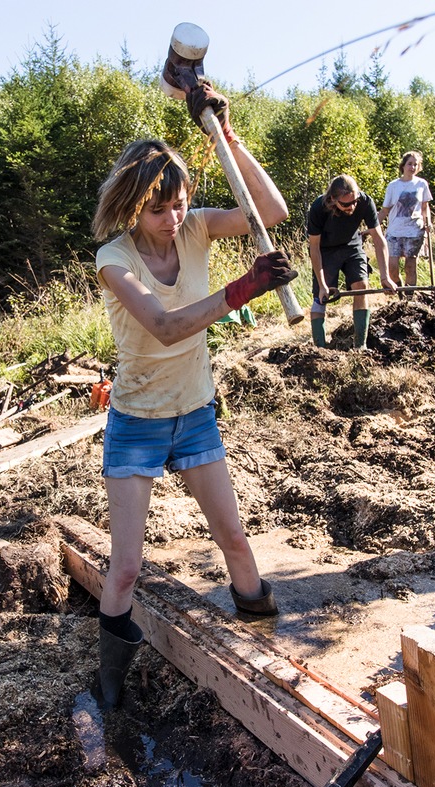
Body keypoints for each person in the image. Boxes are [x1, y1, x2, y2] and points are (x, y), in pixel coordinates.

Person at [90, 82, 296, 708]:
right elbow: (167, 326)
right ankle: (110, 686)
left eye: (180, 204)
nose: (174, 219)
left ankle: (269, 650)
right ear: (132, 207)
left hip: (196, 415)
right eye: (160, 209)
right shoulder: (113, 258)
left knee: (234, 539)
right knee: (125, 568)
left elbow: (273, 210)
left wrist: (225, 133)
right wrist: (244, 289)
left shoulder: (199, 229)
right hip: (138, 421)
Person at [306, 175, 391, 350]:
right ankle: (320, 350)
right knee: (320, 298)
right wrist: (322, 285)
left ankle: (360, 346)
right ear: (332, 200)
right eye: (345, 204)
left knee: (361, 286)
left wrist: (385, 276)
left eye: (354, 201)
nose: (352, 206)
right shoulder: (318, 207)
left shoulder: (365, 201)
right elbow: (314, 248)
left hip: (352, 246)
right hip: (325, 251)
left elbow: (378, 238)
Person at [379, 151, 434, 287]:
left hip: (414, 230)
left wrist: (428, 222)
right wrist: (372, 227)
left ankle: (409, 300)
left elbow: (425, 206)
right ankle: (400, 294)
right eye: (410, 164)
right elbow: (385, 209)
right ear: (403, 165)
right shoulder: (393, 186)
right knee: (392, 269)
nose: (413, 167)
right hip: (395, 231)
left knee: (410, 267)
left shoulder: (422, 184)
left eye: (416, 164)